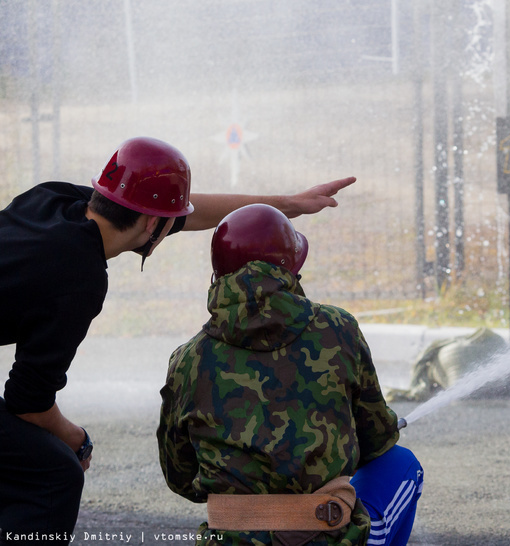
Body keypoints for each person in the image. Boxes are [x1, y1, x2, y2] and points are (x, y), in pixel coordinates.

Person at [0, 136, 356, 545]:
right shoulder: (78, 275)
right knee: (53, 474)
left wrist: (289, 204)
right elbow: (28, 401)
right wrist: (77, 440)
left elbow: (186, 211)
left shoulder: (54, 199)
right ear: (154, 225)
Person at [157, 204, 423, 546]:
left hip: (231, 540)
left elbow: (181, 478)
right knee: (402, 463)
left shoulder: (188, 359)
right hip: (328, 537)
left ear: (217, 276)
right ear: (289, 271)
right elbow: (378, 443)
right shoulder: (337, 328)